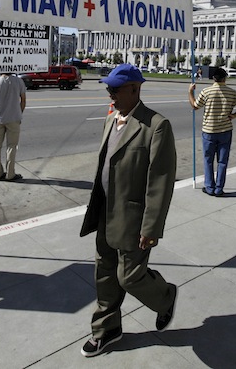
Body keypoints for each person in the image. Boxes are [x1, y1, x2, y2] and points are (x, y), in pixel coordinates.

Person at [79, 64, 178, 357]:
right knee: (105, 275)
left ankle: (165, 296)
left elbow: (160, 181)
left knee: (130, 277)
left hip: (133, 219)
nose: (111, 95)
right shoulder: (112, 119)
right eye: (108, 89)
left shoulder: (156, 125)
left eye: (116, 90)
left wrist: (151, 228)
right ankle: (106, 329)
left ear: (135, 88)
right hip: (105, 215)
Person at [188, 67, 236, 195]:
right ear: (225, 78)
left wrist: (190, 92)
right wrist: (235, 115)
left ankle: (209, 187)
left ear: (213, 79)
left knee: (208, 160)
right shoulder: (232, 93)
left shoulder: (206, 92)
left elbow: (195, 106)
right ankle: (219, 188)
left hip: (209, 131)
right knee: (222, 161)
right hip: (225, 130)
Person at [0, 72, 27, 181]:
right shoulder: (18, 81)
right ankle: (10, 173)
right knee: (12, 146)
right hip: (14, 118)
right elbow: (23, 100)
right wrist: (19, 113)